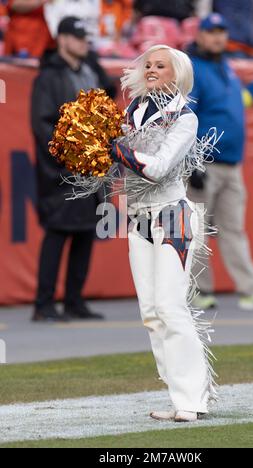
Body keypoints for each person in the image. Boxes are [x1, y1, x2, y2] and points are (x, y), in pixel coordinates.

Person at [103, 44, 217, 422]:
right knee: (151, 313)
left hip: (173, 217)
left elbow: (159, 168)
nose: (151, 69)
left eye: (160, 65)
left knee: (171, 307)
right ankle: (177, 396)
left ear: (177, 73)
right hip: (138, 219)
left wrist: (115, 149)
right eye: (147, 64)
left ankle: (192, 400)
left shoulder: (183, 117)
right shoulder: (132, 114)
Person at [187, 13, 253, 311]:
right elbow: (184, 117)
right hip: (204, 163)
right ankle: (198, 291)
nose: (217, 38)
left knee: (233, 230)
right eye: (211, 32)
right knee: (198, 231)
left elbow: (239, 100)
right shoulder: (193, 70)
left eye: (221, 32)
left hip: (231, 165)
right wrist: (191, 161)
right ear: (200, 36)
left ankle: (251, 290)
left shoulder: (225, 67)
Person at [31, 17, 116, 322]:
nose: (84, 43)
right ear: (63, 39)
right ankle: (43, 304)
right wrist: (67, 160)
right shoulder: (49, 77)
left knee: (83, 234)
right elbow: (43, 125)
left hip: (92, 169)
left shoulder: (91, 71)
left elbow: (108, 107)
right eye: (78, 38)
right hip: (63, 170)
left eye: (85, 38)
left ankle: (73, 301)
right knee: (58, 232)